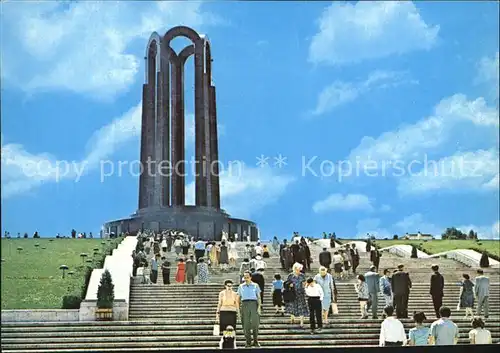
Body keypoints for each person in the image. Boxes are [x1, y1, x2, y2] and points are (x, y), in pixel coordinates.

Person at [236, 271, 261, 348]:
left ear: (250, 277)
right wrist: (238, 311)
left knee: (255, 323)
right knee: (246, 324)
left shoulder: (255, 285)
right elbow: (238, 299)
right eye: (245, 277)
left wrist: (259, 307)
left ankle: (256, 341)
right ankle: (248, 342)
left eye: (247, 277)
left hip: (254, 304)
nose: (246, 279)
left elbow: (259, 297)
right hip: (244, 304)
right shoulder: (241, 286)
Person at [285, 263, 309, 327]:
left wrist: (305, 285)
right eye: (298, 269)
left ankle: (301, 322)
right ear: (295, 269)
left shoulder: (302, 275)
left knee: (302, 308)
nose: (299, 271)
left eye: (300, 269)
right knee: (292, 307)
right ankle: (292, 319)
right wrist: (289, 285)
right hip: (292, 294)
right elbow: (286, 283)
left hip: (301, 294)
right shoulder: (290, 275)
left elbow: (305, 284)